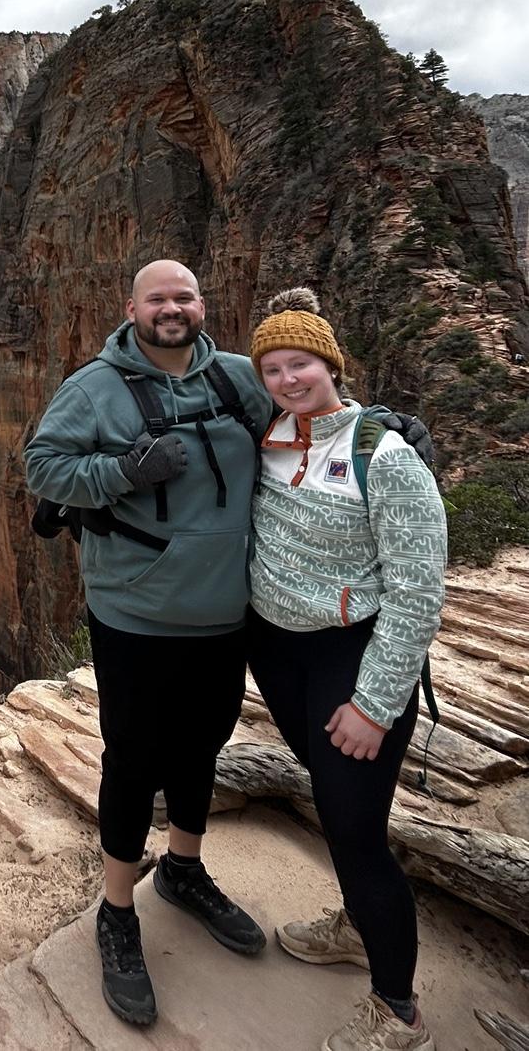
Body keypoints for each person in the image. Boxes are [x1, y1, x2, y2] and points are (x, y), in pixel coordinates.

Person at [23, 259, 274, 1027]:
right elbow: (44, 467)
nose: (172, 308)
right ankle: (116, 910)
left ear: (202, 305)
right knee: (133, 760)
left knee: (203, 745)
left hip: (224, 611)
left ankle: (184, 872)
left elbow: (307, 416)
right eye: (157, 298)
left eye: (183, 297)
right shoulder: (94, 388)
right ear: (131, 308)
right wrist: (122, 472)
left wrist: (375, 428)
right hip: (136, 613)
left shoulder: (239, 378)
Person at [247, 289, 445, 1051]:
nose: (288, 380)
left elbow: (418, 593)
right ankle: (359, 930)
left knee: (357, 833)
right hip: (278, 654)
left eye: (301, 364)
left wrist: (375, 704)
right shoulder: (267, 437)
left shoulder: (384, 457)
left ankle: (399, 1012)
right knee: (336, 806)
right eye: (273, 369)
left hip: (350, 659)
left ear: (331, 365)